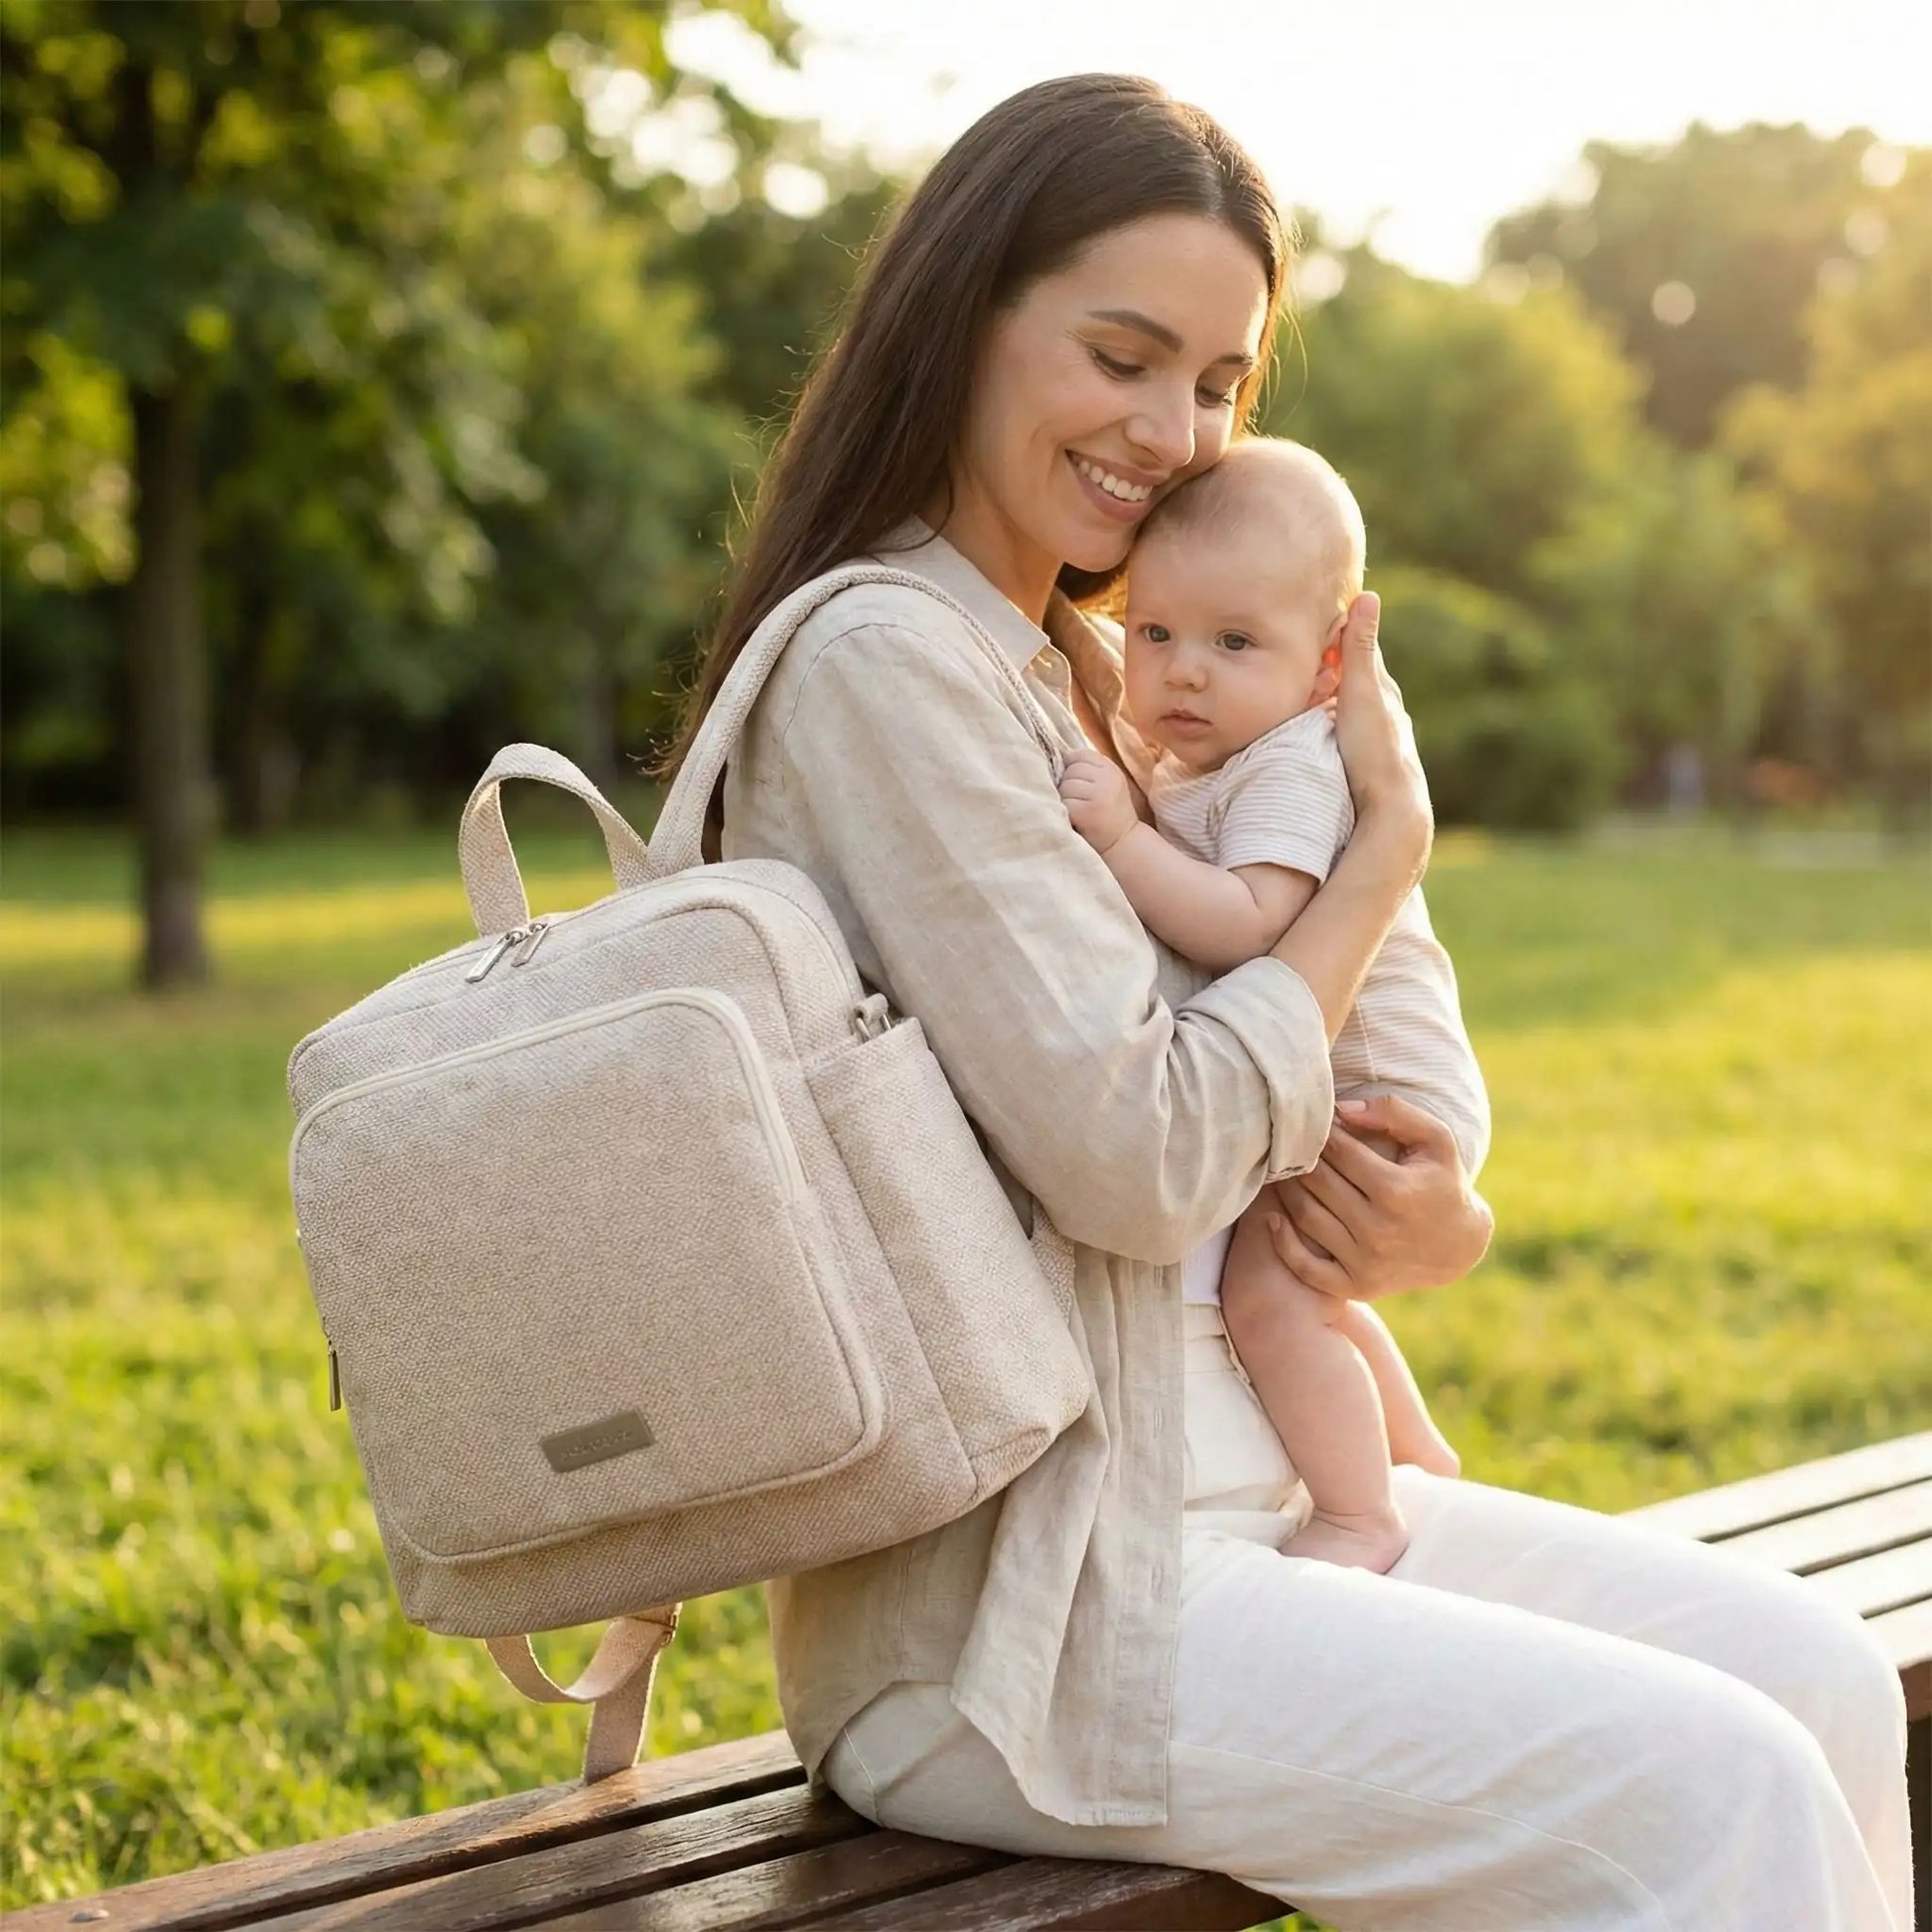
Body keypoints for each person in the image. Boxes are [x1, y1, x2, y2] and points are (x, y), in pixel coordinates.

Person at [670, 71, 1911, 1932]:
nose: (1174, 433)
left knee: (1810, 1675)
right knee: (1709, 1787)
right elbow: (1146, 1160)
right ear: (964, 316)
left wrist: (1426, 1209)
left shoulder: (1100, 669)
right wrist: (1377, 865)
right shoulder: (887, 668)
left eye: (1221, 383)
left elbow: (1275, 1117)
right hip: (1032, 1617)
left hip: (1251, 1490)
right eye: (1122, 354)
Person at [1058, 437, 1479, 1576]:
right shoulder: (1222, 737)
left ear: (1327, 668)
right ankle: (1418, 1455)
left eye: (1233, 642)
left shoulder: (1288, 765)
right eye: (1155, 632)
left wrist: (1119, 839)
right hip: (1335, 1063)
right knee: (1308, 1278)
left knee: (1269, 1289)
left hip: (1374, 1087)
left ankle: (1357, 1511)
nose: (1182, 671)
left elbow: (1248, 922)